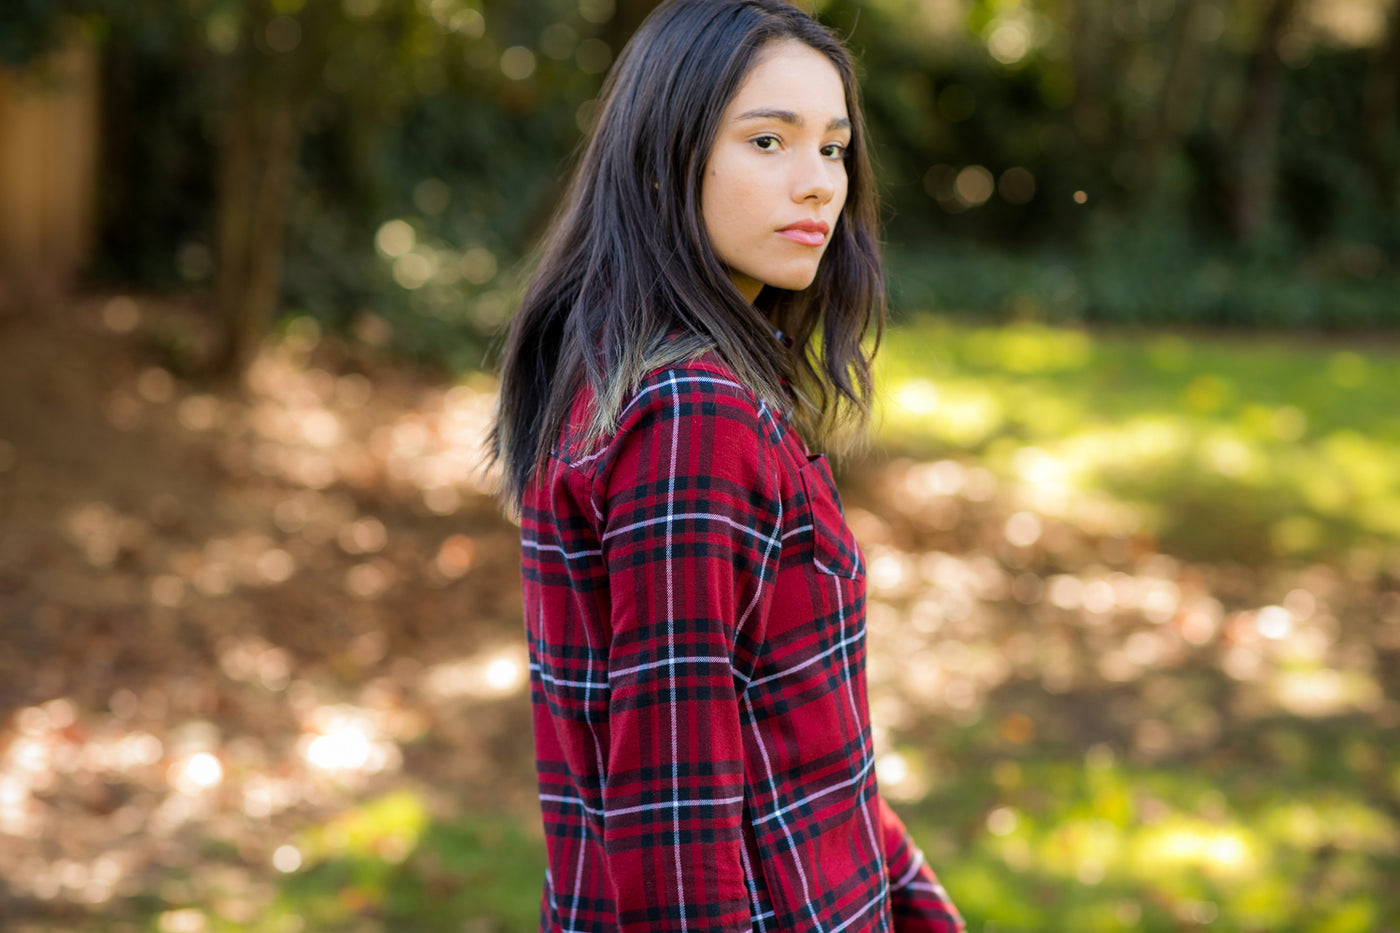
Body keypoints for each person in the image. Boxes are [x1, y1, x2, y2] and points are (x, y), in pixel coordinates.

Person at [490, 2, 964, 931]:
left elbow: (799, 731)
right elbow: (674, 796)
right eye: (768, 140)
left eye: (833, 148)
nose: (819, 183)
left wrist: (910, 898)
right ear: (667, 159)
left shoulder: (663, 382)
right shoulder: (690, 414)